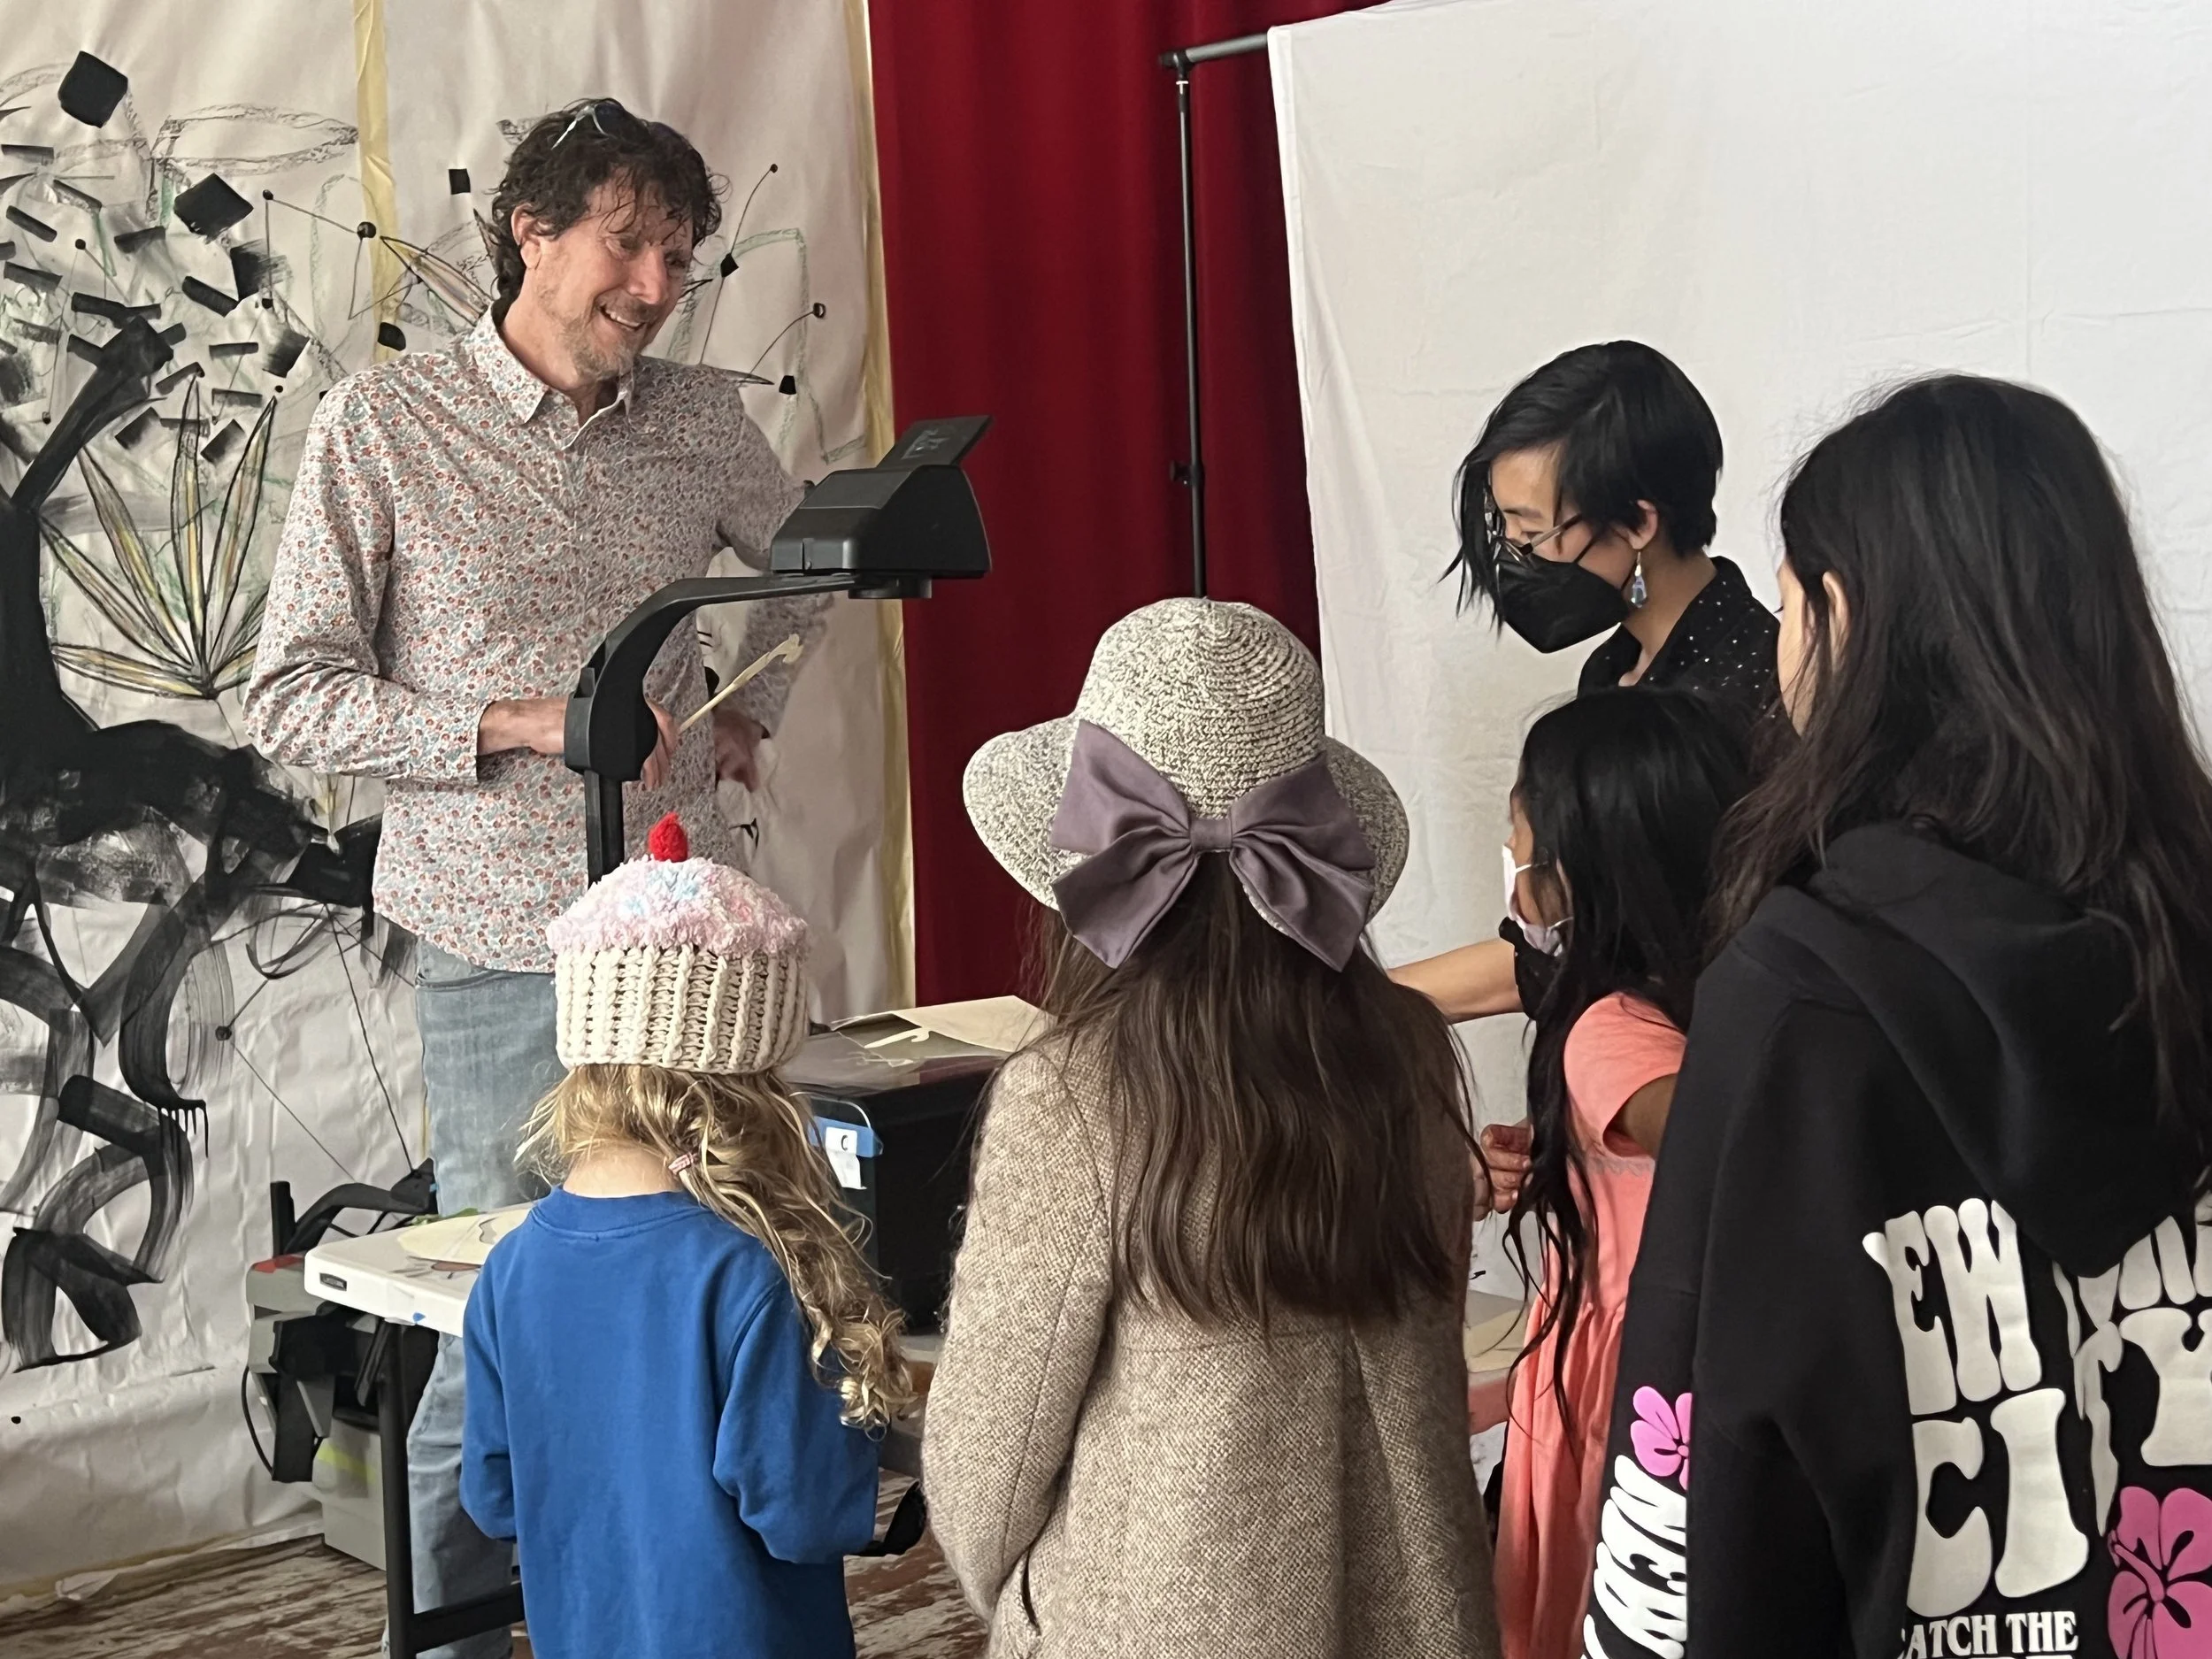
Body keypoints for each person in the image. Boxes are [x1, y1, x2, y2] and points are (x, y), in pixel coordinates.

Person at [242, 100, 831, 1658]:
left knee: (731, 1282)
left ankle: (691, 1602)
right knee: (504, 1304)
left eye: (679, 256)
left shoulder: (701, 421)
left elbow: (809, 575)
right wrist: (518, 723)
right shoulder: (386, 424)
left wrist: (751, 711)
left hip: (690, 945)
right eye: (628, 245)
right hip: (506, 939)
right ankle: (443, 1630)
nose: (657, 285)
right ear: (532, 232)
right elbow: (289, 695)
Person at [1581, 377, 2212, 1659]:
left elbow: (1698, 1468)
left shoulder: (1799, 997)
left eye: (1790, 601)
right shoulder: (2185, 943)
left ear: (1847, 616)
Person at [924, 598, 1498, 1658]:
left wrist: (1030, 1604)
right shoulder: (1408, 1050)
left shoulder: (1072, 1094)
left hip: (1154, 1614)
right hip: (1419, 1606)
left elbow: (989, 1454)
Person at [460, 812, 910, 1659]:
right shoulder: (749, 1277)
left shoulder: (509, 1269)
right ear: (751, 1092)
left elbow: (496, 1498)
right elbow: (806, 1514)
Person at [1396, 342, 1778, 1193]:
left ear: (1638, 523)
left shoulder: (1745, 697)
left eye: (1534, 531)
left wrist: (1365, 1002)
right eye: (1508, 528)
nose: (1514, 555)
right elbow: (1573, 936)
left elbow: (1622, 948)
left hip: (1705, 1153)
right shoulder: (1615, 670)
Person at [1483, 690, 1748, 1659]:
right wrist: (1572, 1149)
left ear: (1578, 873)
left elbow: (1747, 1141)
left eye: (1519, 844)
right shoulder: (1708, 1004)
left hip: (1631, 1396)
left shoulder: (1605, 1029)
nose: (1511, 870)